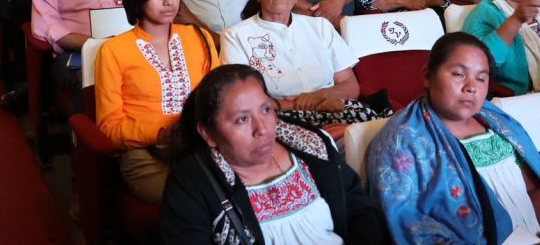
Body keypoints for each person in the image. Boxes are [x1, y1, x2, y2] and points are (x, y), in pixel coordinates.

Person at [368, 32, 540, 244]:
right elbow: (410, 227)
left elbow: (534, 190)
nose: (471, 87)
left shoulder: (497, 122)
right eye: (458, 74)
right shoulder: (401, 142)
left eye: (481, 78)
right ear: (427, 76)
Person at [160, 64, 385, 243]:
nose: (263, 129)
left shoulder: (310, 144)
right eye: (242, 119)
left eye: (266, 109)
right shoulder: (192, 181)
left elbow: (361, 209)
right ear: (208, 133)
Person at [95, 0, 220, 203]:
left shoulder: (199, 37)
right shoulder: (113, 51)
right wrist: (162, 133)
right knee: (193, 198)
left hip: (202, 145)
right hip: (145, 154)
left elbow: (219, 100)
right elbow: (109, 129)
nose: (168, 1)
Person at [221, 0, 388, 128]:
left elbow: (350, 86)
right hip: (280, 122)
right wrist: (311, 106)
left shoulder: (321, 27)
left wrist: (323, 95)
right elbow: (244, 100)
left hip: (337, 112)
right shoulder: (235, 36)